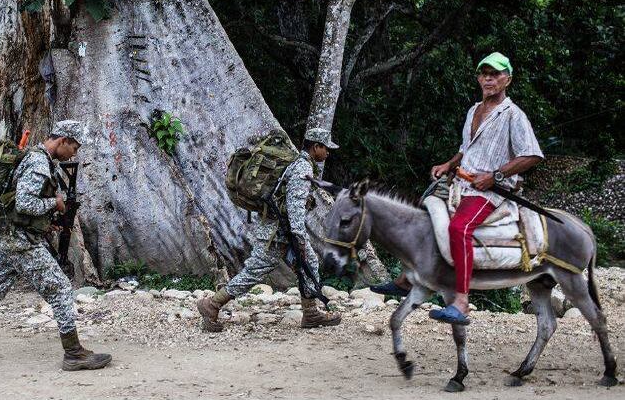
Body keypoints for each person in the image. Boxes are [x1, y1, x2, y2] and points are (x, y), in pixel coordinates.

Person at [376, 52, 543, 325]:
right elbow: (466, 149)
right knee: (423, 215)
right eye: (484, 73)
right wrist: (448, 164)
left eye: (495, 74)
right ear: (478, 78)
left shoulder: (513, 115)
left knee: (459, 229)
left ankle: (462, 302)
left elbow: (532, 155)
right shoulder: (473, 110)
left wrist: (495, 176)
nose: (488, 79)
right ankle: (406, 279)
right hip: (461, 183)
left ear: (508, 79)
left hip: (489, 191)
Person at [0, 120, 112, 370]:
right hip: (20, 242)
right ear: (63, 140)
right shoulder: (39, 163)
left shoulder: (35, 157)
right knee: (60, 288)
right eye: (74, 147)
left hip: (9, 237)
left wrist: (45, 223)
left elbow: (16, 204)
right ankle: (74, 354)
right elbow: (25, 204)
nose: (74, 154)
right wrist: (55, 204)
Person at [198, 127, 343, 331]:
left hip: (280, 230)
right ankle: (212, 305)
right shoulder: (302, 167)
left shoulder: (297, 163)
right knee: (255, 271)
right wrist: (299, 238)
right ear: (316, 146)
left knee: (308, 264)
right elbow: (294, 205)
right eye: (326, 148)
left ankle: (311, 313)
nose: (327, 152)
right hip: (277, 234)